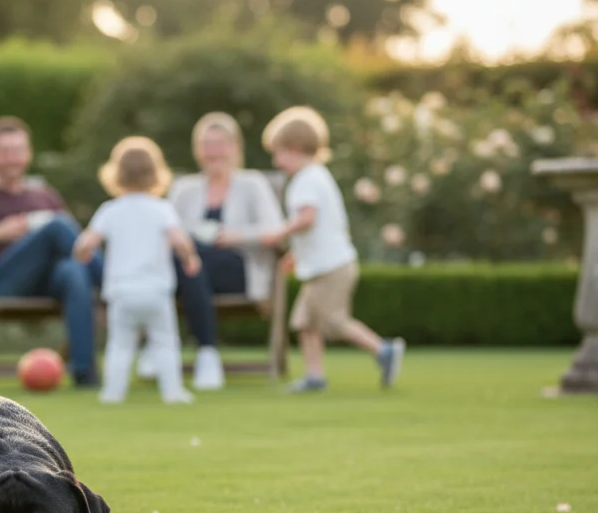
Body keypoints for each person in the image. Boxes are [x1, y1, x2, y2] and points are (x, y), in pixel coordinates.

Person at [260, 106, 404, 392]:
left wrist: (279, 233)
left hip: (331, 268)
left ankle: (384, 350)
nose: (277, 162)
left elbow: (307, 218)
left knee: (333, 321)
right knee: (305, 322)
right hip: (325, 266)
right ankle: (315, 376)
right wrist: (295, 255)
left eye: (279, 153)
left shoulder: (306, 180)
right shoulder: (317, 176)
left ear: (297, 148)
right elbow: (319, 228)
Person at [0, 117, 103, 387]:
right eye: (6, 152)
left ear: (28, 154)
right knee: (57, 225)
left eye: (19, 151)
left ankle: (85, 374)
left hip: (48, 281)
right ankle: (112, 283)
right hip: (4, 281)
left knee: (74, 270)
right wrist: (0, 231)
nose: (13, 158)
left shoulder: (44, 194)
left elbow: (76, 246)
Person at [157, 112, 286, 390]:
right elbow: (166, 233)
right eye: (206, 144)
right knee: (191, 260)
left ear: (235, 147)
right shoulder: (183, 188)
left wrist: (231, 236)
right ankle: (207, 353)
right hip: (190, 272)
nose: (213, 151)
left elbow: (275, 231)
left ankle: (181, 350)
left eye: (220, 143)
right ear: (197, 150)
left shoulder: (253, 184)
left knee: (195, 259)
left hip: (237, 268)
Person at [74, 138, 201, 405]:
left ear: (116, 174)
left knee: (120, 344)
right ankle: (173, 392)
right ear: (157, 173)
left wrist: (82, 255)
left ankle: (113, 393)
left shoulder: (110, 210)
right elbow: (179, 240)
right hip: (156, 290)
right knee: (165, 341)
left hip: (122, 291)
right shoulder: (162, 209)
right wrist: (190, 259)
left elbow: (86, 243)